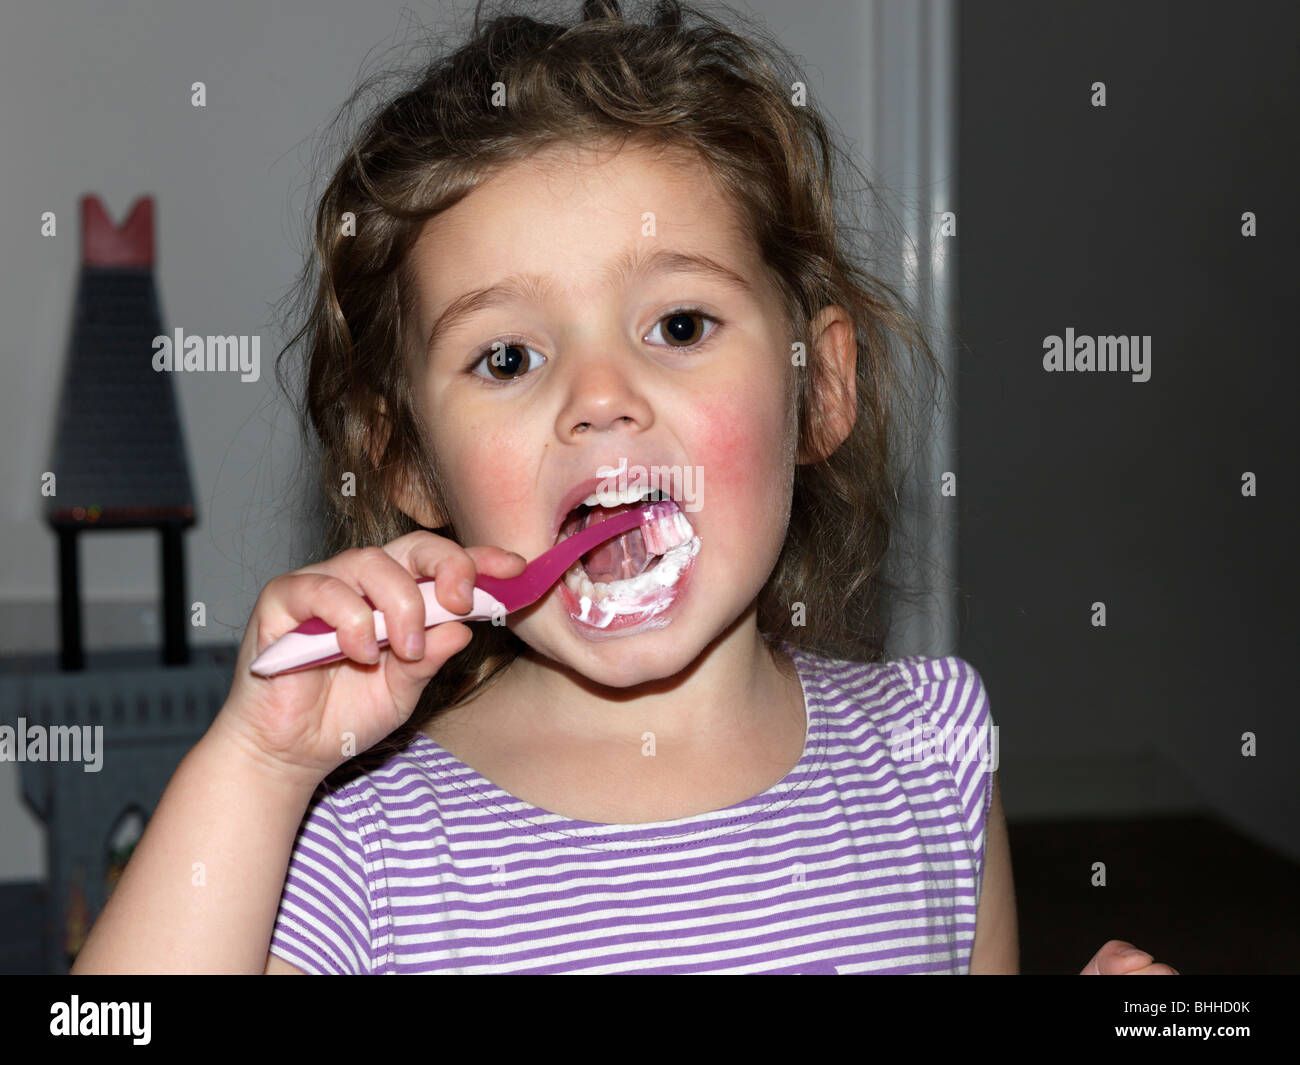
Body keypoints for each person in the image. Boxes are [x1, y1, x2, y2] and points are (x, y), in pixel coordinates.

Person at [72, 0, 1175, 975]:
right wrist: (260, 766)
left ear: (820, 387)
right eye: (508, 357)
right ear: (407, 460)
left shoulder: (930, 758)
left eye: (680, 325)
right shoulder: (363, 839)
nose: (599, 398)